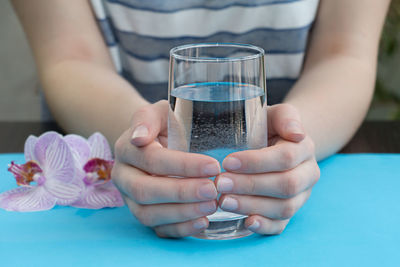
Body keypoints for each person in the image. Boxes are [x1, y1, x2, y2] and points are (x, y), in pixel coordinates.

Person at [11, 0, 390, 238]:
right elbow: (69, 57)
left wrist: (292, 145)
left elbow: (345, 54)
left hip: (308, 158)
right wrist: (141, 139)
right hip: (113, 148)